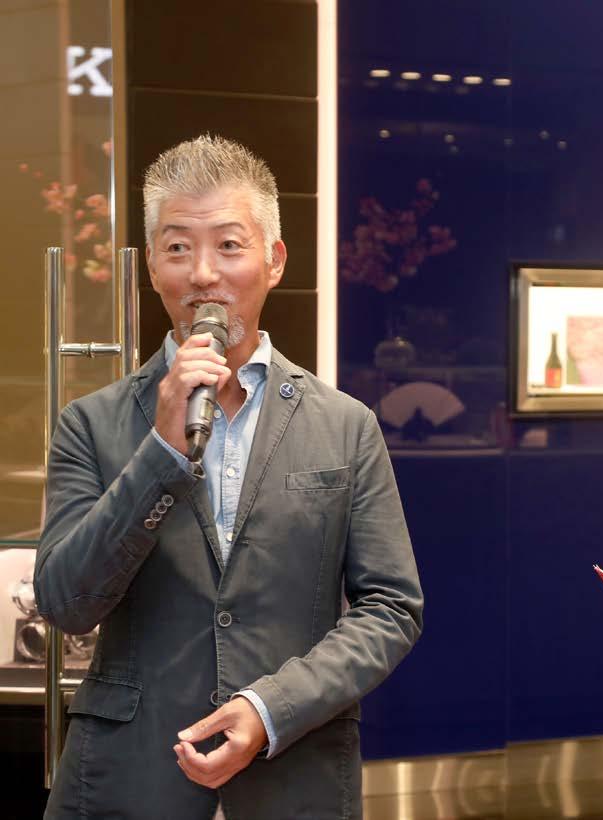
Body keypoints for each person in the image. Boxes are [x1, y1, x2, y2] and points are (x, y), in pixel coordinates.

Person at [34, 134, 423, 820]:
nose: (204, 274)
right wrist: (160, 449)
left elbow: (391, 609)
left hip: (294, 775)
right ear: (152, 265)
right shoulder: (89, 425)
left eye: (230, 246)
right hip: (128, 783)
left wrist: (271, 708)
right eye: (178, 248)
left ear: (275, 261)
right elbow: (67, 603)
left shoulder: (346, 425)